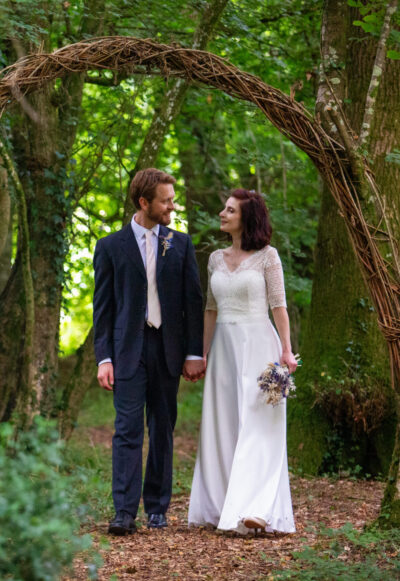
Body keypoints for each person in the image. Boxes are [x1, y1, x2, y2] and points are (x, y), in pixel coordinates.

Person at [93, 168, 204, 535]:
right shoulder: (110, 246)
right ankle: (124, 511)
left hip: (167, 348)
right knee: (126, 430)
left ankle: (157, 506)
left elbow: (192, 302)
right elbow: (104, 308)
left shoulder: (181, 243)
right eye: (166, 200)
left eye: (172, 198)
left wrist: (193, 352)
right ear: (144, 203)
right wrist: (104, 358)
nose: (172, 205)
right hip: (127, 350)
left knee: (162, 427)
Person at [188, 189, 297, 534]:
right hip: (224, 349)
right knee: (224, 425)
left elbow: (278, 306)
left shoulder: (268, 257)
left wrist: (286, 351)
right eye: (224, 208)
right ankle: (224, 505)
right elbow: (210, 309)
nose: (222, 213)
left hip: (262, 346)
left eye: (230, 210)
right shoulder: (216, 259)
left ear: (246, 218)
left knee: (261, 425)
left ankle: (258, 509)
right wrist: (201, 353)